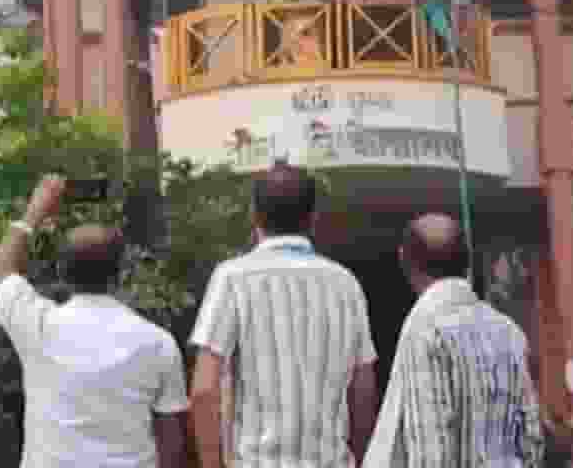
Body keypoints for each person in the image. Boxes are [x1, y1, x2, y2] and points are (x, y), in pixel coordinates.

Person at [0, 175, 189, 468]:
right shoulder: (158, 343)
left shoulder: (36, 324)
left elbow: (1, 266)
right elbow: (172, 443)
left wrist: (35, 210)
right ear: (121, 273)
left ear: (62, 272)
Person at [190, 160, 378, 468]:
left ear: (254, 215)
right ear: (313, 218)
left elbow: (204, 389)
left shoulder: (233, 278)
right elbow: (363, 388)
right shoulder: (346, 284)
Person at [362, 214, 544, 468]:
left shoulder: (426, 332)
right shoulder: (510, 332)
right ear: (467, 261)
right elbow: (532, 441)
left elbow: (430, 456)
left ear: (404, 260)